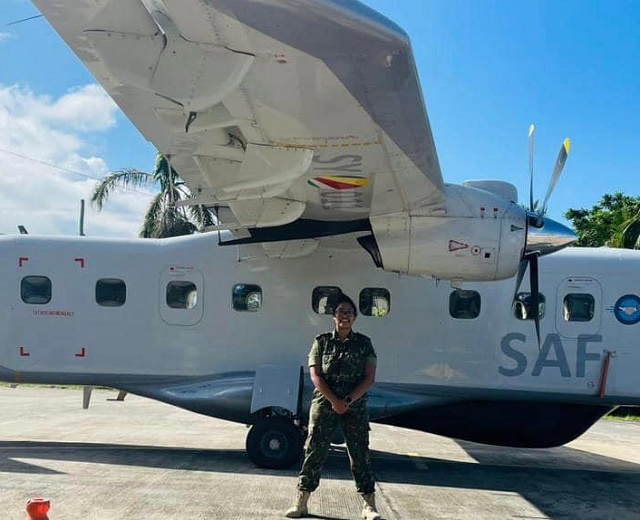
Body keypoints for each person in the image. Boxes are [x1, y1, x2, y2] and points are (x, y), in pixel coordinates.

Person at [285, 294, 380, 520]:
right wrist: (334, 401)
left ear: (355, 318)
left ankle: (369, 506)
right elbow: (315, 375)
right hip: (324, 402)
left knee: (359, 453)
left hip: (354, 404)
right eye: (340, 312)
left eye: (349, 312)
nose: (344, 316)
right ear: (334, 317)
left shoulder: (365, 344)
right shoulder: (321, 341)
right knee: (314, 451)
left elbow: (369, 378)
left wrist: (347, 401)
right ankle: (301, 501)